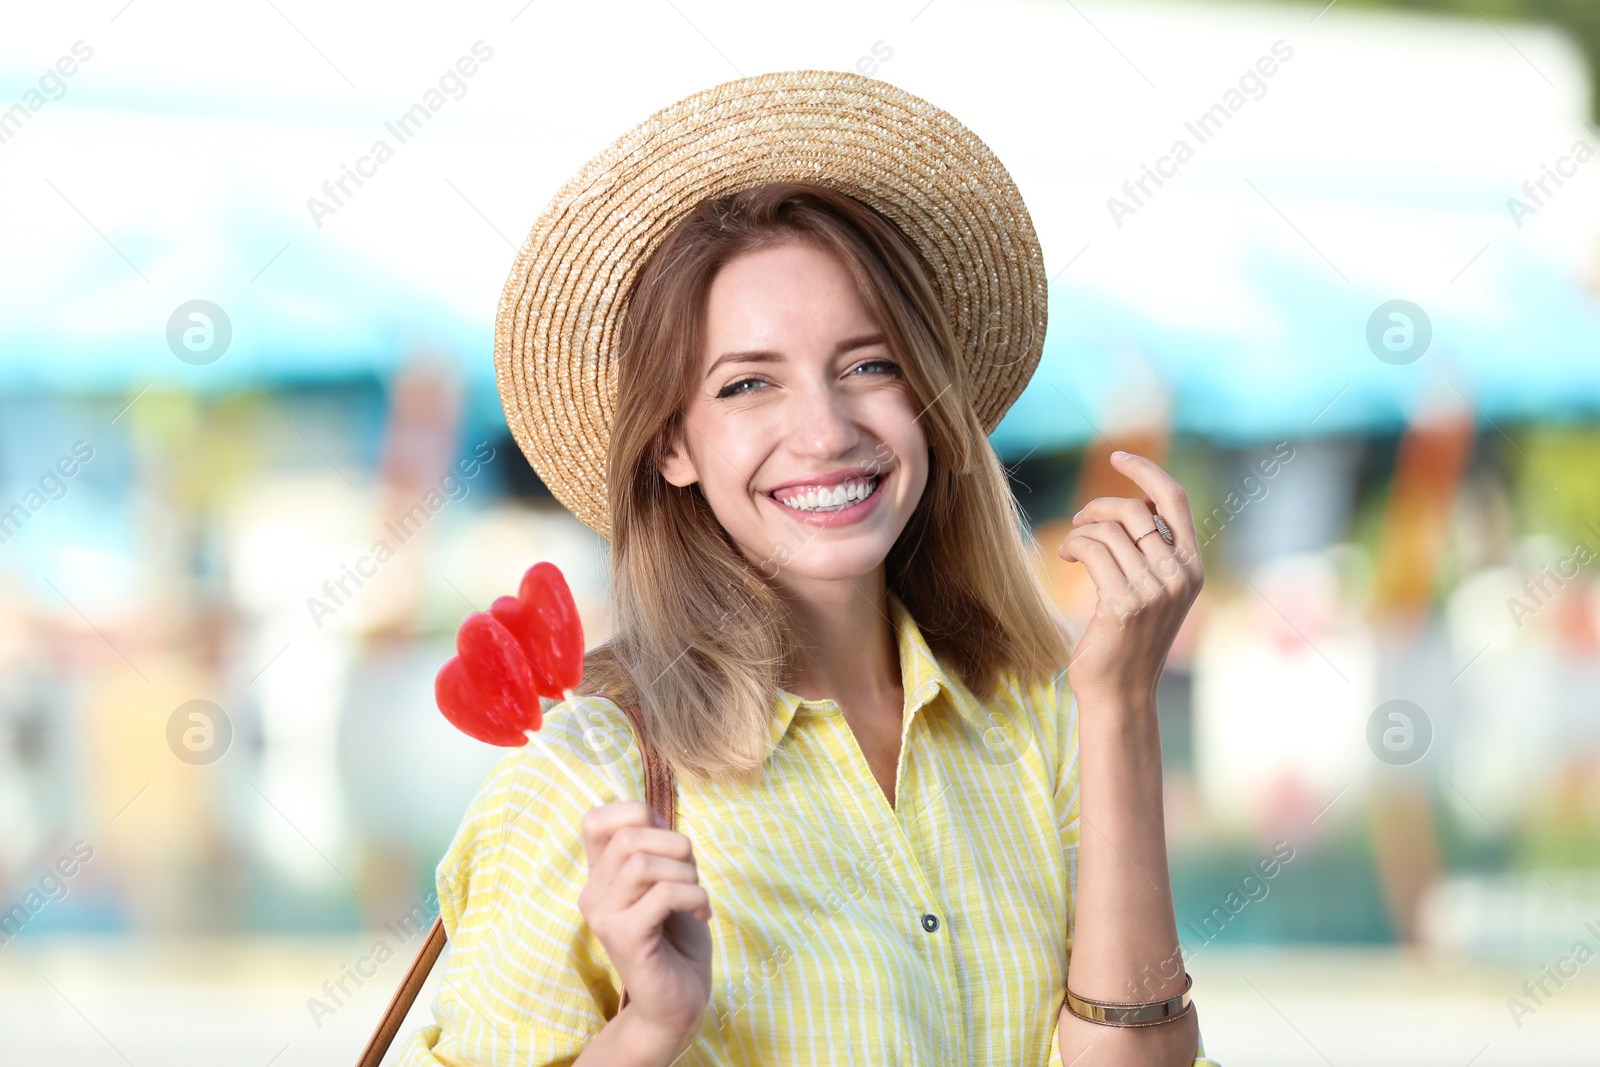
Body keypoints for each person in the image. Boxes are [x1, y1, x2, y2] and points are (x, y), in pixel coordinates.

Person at [395, 71, 1219, 1066]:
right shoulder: (585, 777)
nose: (825, 431)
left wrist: (1121, 706)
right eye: (747, 383)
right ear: (671, 445)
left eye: (869, 364)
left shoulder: (1041, 718)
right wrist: (650, 1026)